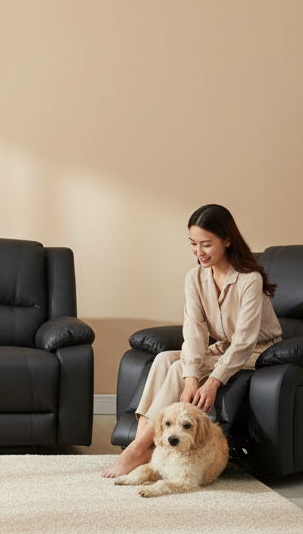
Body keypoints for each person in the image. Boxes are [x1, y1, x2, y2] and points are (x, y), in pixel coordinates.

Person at [102, 204, 282, 478]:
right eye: (193, 244)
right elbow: (195, 332)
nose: (199, 252)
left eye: (206, 244)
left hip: (260, 352)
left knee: (178, 368)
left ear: (227, 240)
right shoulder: (195, 278)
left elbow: (244, 341)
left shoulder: (249, 280)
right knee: (165, 359)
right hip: (223, 347)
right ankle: (145, 448)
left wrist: (211, 382)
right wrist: (191, 378)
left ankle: (138, 450)